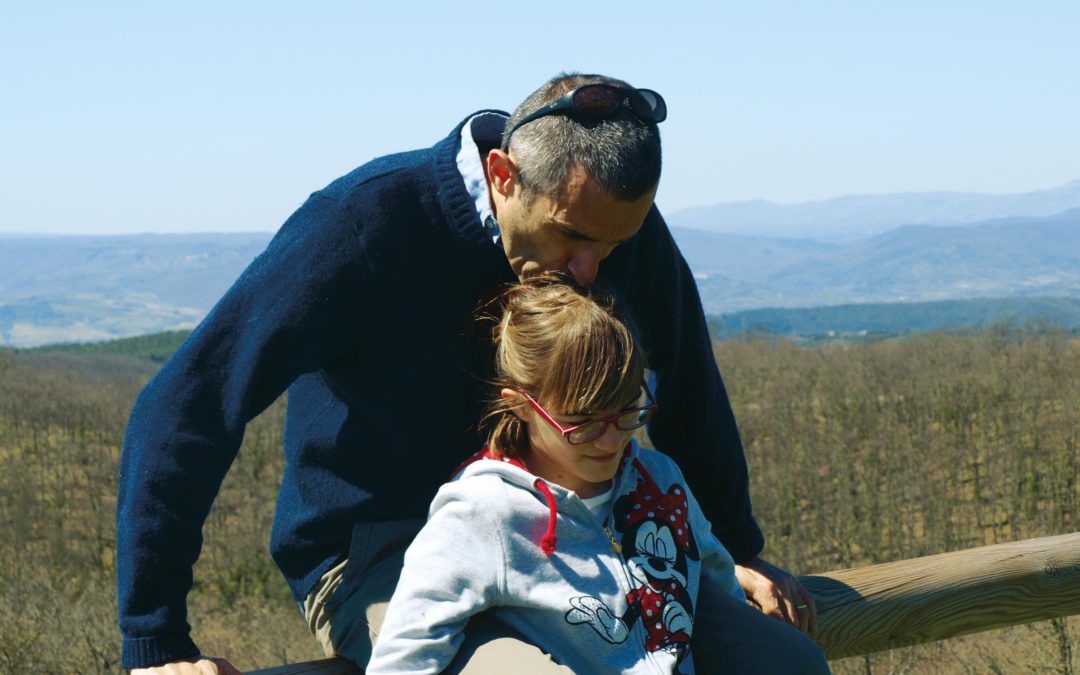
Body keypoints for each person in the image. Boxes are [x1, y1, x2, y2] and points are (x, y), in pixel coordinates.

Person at [118, 72, 825, 673]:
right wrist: (155, 637)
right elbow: (189, 401)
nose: (593, 271)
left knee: (786, 661)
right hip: (383, 545)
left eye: (616, 243)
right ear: (502, 176)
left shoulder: (603, 223)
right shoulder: (365, 226)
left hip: (584, 525)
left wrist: (736, 548)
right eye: (573, 239)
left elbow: (691, 387)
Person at [366, 275, 748, 673]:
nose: (610, 442)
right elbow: (403, 659)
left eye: (626, 410)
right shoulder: (483, 514)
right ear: (520, 406)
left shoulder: (659, 478)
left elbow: (719, 582)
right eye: (582, 422)